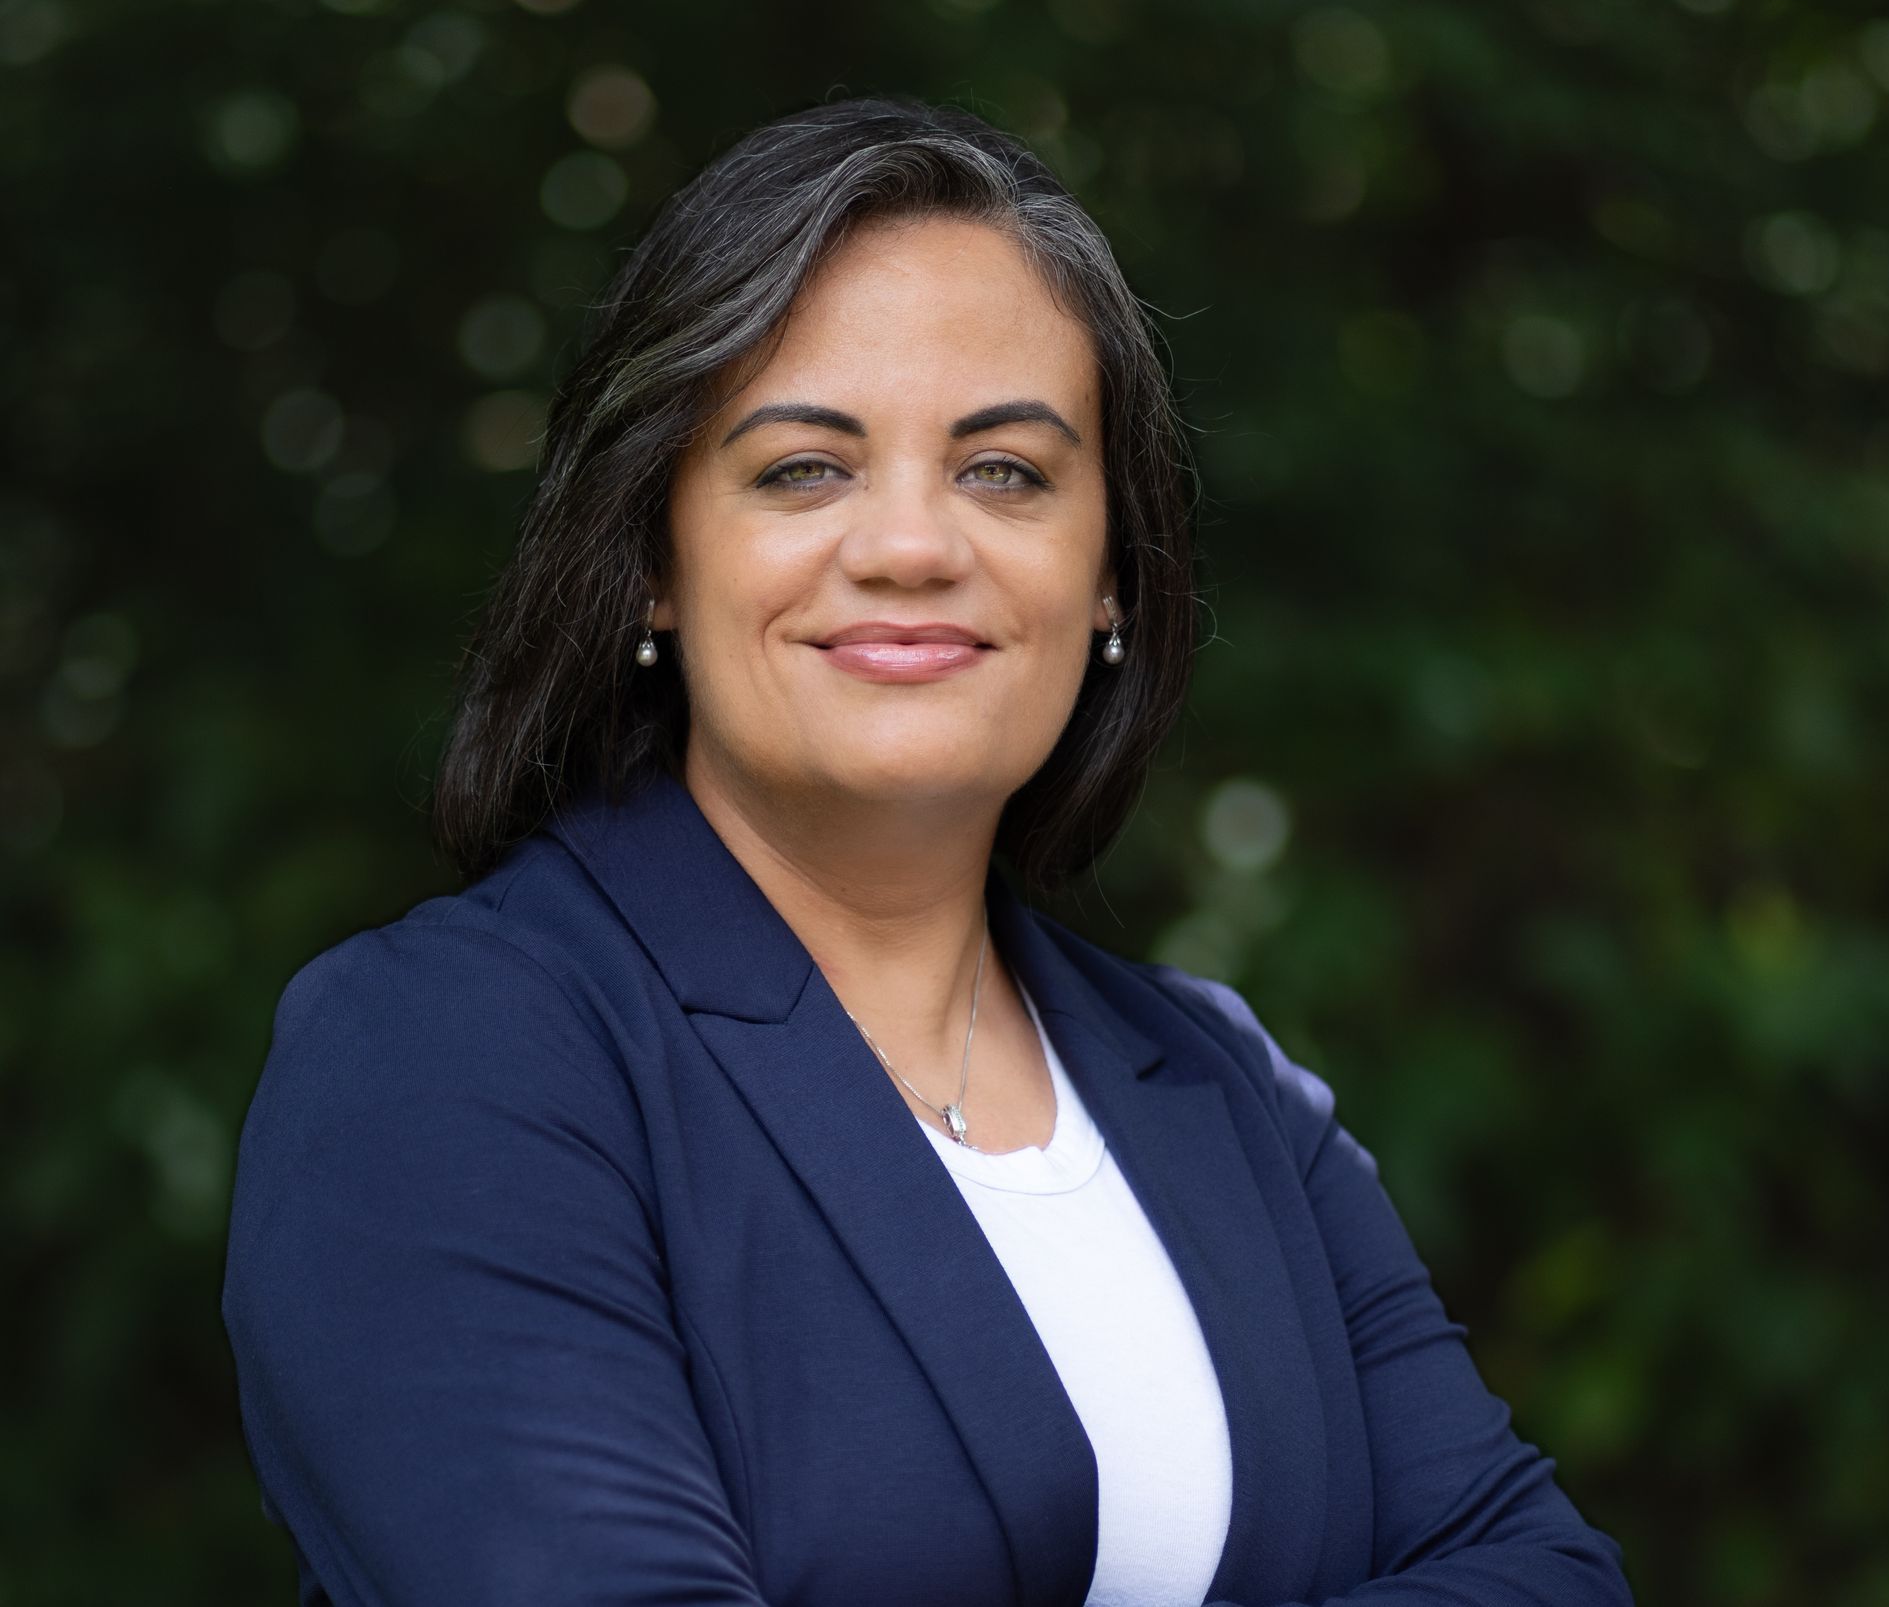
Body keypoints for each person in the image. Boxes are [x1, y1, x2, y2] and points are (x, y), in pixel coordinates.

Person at [221, 94, 1634, 1607]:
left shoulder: (1223, 1088)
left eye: (1005, 471)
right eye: (804, 469)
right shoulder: (454, 1054)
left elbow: (1542, 1577)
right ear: (651, 565)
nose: (911, 545)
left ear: (1111, 575)